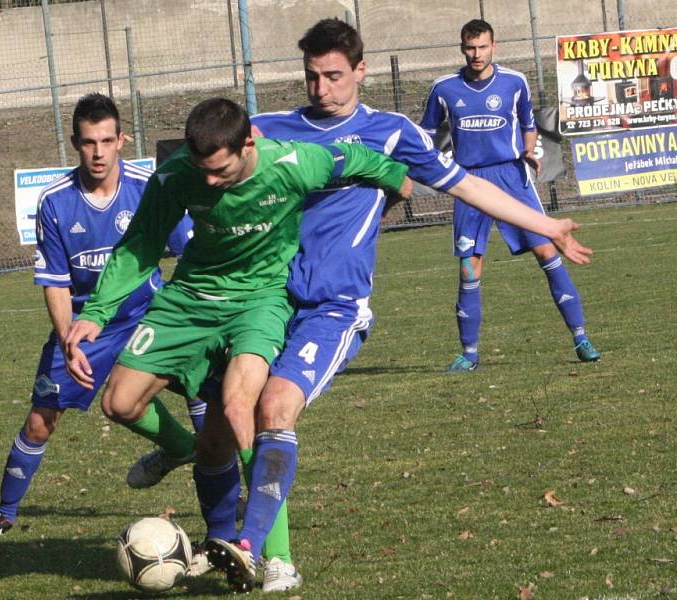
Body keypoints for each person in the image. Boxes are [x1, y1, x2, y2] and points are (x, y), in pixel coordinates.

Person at [200, 19, 595, 592]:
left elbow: (467, 185)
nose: (322, 88)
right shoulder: (268, 131)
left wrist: (547, 224)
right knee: (215, 429)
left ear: (360, 71)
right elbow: (207, 180)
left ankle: (257, 550)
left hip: (333, 305)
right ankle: (217, 542)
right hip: (259, 300)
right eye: (312, 77)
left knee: (275, 407)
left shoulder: (389, 132)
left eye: (334, 75)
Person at [62, 96, 413, 578]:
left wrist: (399, 181)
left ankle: (276, 558)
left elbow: (355, 158)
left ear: (249, 144)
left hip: (260, 301)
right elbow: (141, 242)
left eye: (220, 170)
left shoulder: (293, 163)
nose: (209, 181)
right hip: (189, 299)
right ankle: (182, 450)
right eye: (201, 170)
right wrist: (97, 313)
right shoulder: (178, 175)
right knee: (119, 403)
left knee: (240, 409)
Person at [0, 93, 196, 539]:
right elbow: (55, 281)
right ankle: (4, 514)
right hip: (85, 324)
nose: (98, 152)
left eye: (107, 141)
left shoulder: (150, 186)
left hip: (149, 312)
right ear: (75, 143)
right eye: (89, 142)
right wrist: (69, 341)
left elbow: (191, 251)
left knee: (208, 394)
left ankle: (232, 506)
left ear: (121, 141)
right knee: (40, 420)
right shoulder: (55, 202)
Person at [420, 18, 601, 373]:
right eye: (470, 48)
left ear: (493, 46)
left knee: (547, 249)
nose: (476, 54)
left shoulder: (513, 82)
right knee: (469, 267)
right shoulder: (444, 88)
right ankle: (469, 353)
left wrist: (530, 152)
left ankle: (580, 336)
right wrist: (437, 165)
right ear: (462, 47)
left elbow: (528, 124)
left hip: (510, 175)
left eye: (482, 47)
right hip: (468, 181)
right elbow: (425, 134)